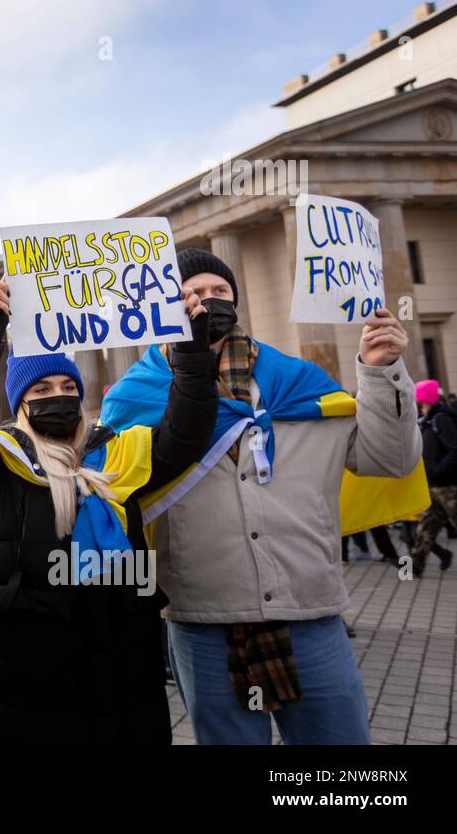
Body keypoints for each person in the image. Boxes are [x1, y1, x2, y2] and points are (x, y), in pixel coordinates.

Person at [102, 247, 423, 745]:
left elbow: (391, 460)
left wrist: (380, 374)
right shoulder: (132, 400)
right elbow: (109, 498)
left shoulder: (299, 384)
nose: (207, 302)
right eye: (192, 294)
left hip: (308, 613)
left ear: (236, 301)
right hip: (202, 622)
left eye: (219, 292)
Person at [0, 280, 215, 744]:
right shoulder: (1, 466)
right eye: (44, 387)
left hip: (125, 662)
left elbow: (188, 432)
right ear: (20, 403)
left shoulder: (121, 454)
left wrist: (190, 349)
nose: (60, 395)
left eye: (69, 385)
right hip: (31, 672)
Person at [411, 379, 456, 575]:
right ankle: (412, 569)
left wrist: (437, 470)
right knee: (424, 529)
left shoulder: (440, 419)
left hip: (447, 485)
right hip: (432, 485)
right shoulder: (426, 419)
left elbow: (454, 449)